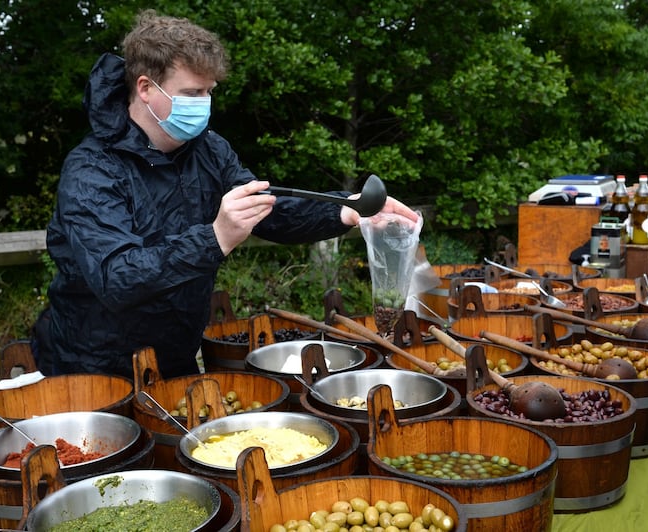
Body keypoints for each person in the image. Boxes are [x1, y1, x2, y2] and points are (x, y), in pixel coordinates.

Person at [33, 10, 418, 380]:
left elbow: (267, 208)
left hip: (175, 358)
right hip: (91, 368)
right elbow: (116, 277)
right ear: (146, 88)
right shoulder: (91, 170)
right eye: (191, 92)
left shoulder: (208, 150)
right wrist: (216, 238)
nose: (202, 103)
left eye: (209, 91)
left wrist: (344, 210)